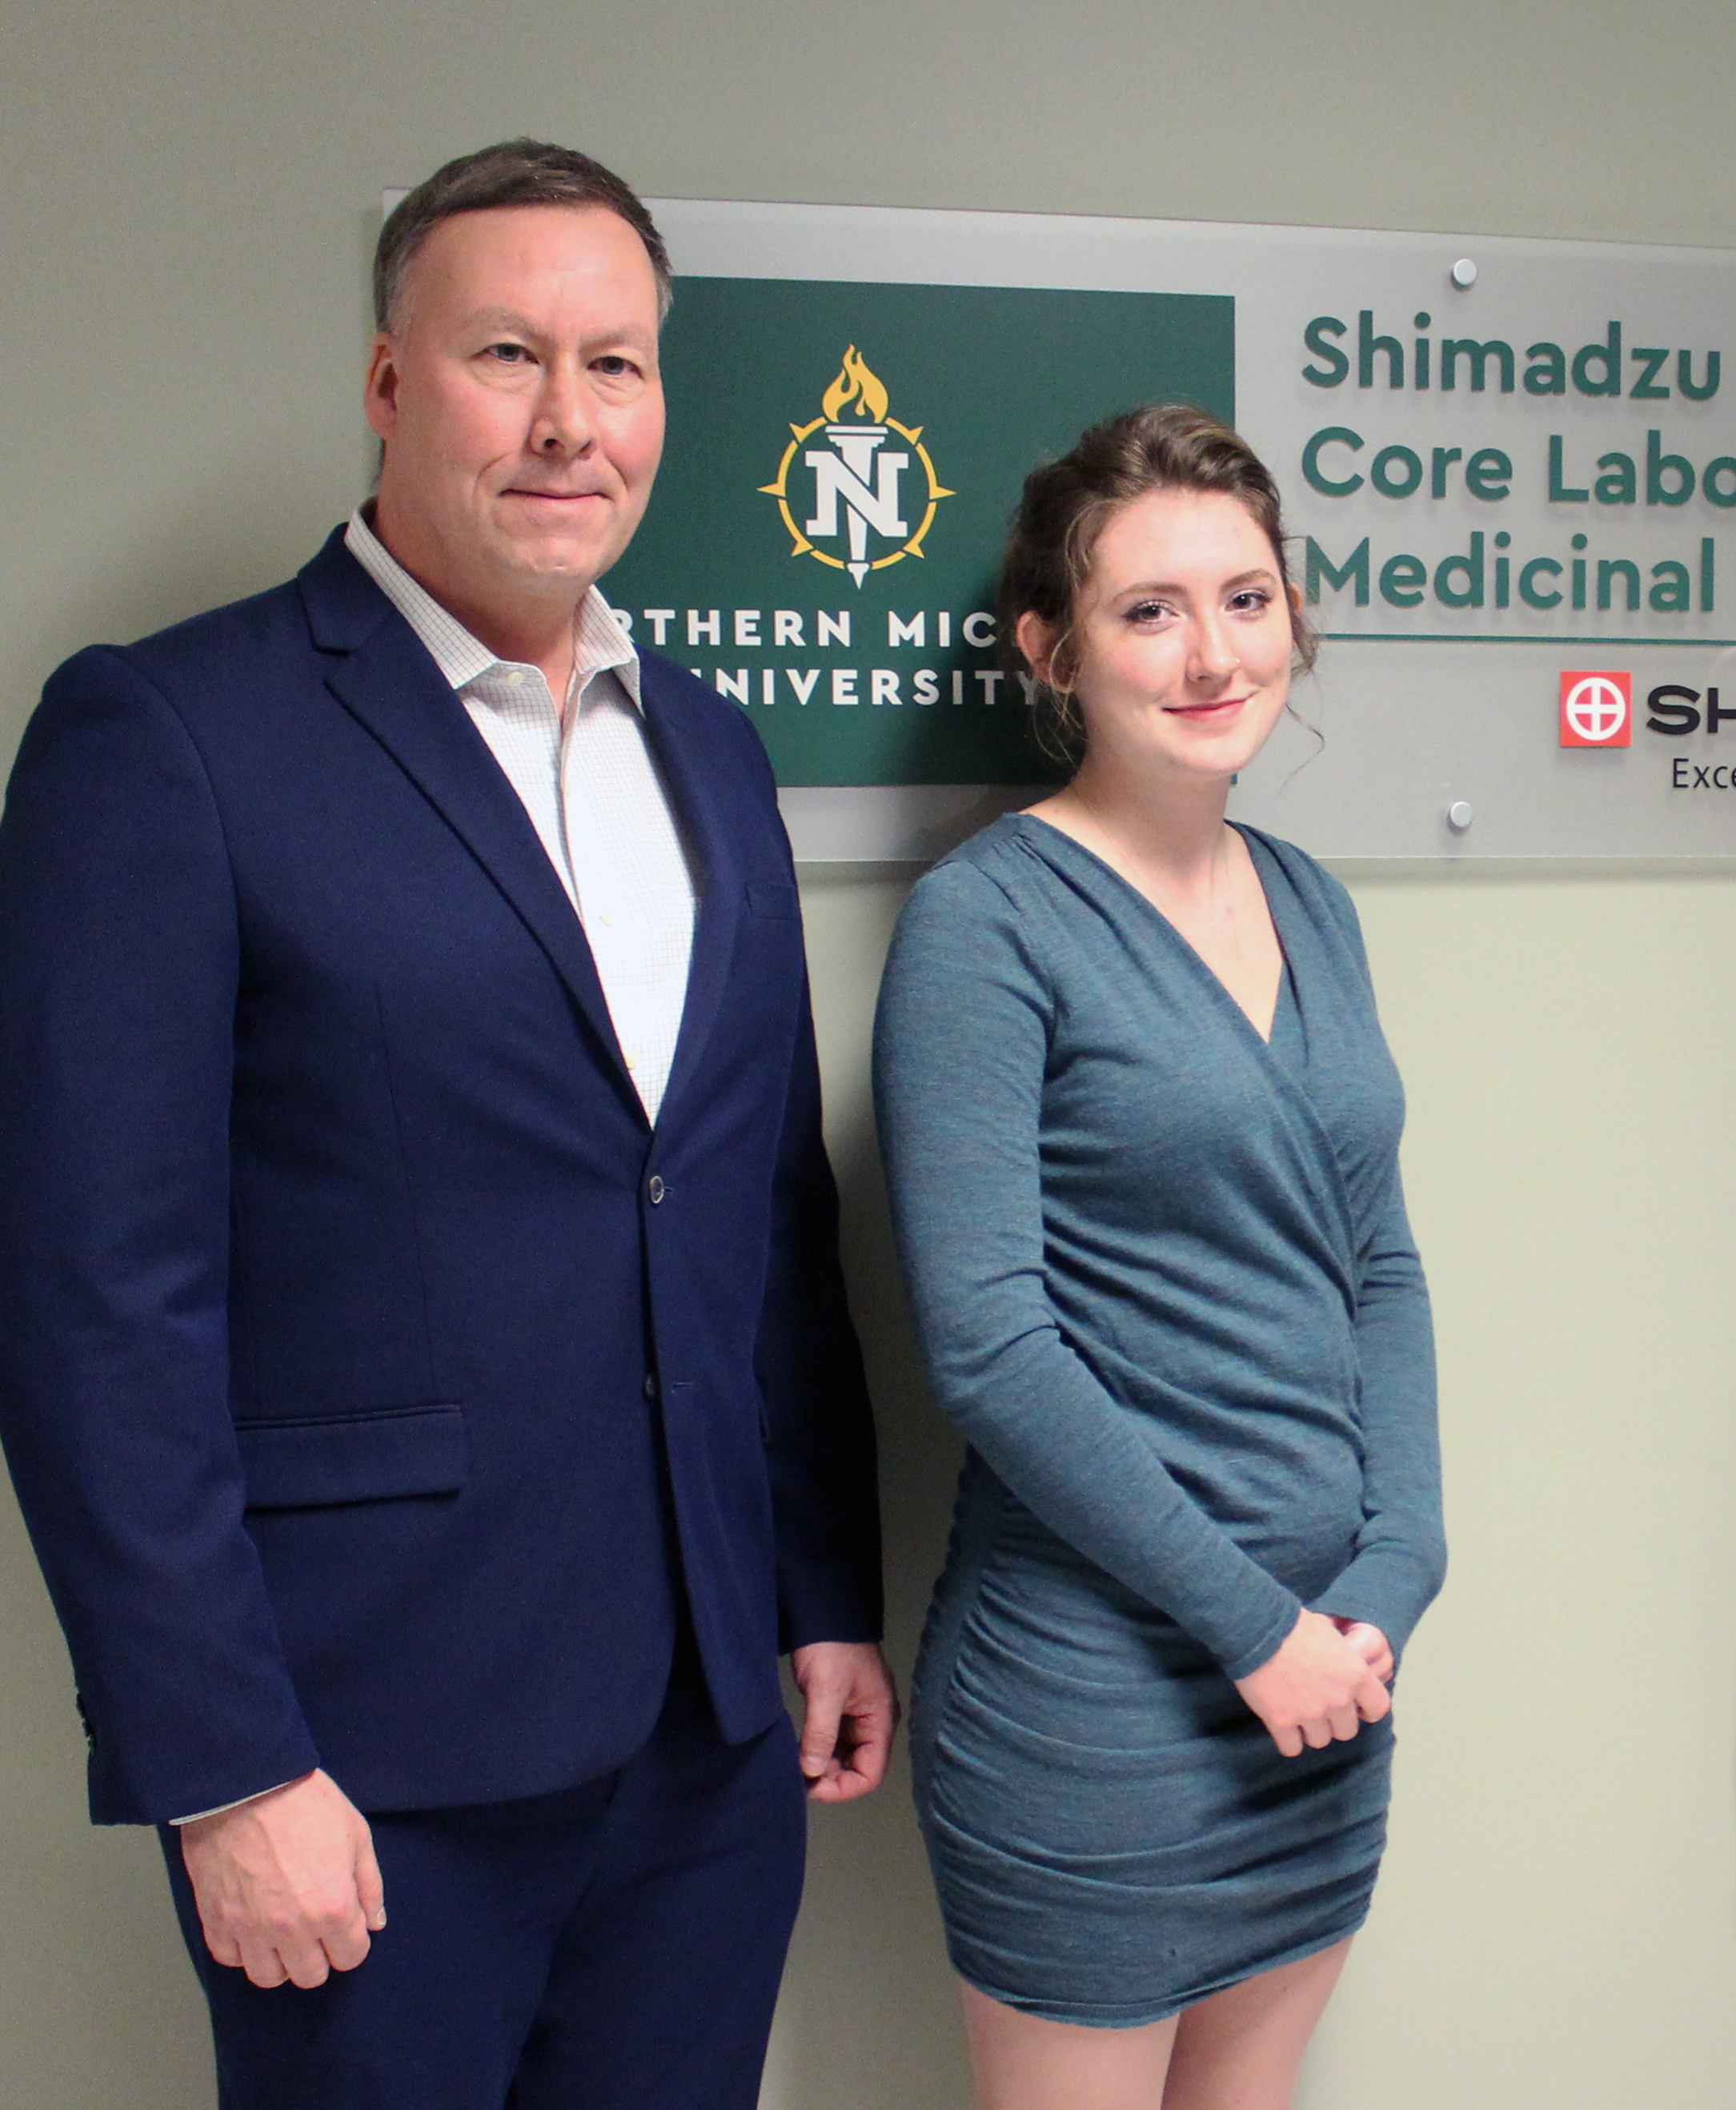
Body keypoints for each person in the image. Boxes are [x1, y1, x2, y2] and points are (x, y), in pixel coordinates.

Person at [0, 141, 891, 2108]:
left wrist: (822, 1594)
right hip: (362, 1759)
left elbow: (754, 1213)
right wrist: (221, 1760)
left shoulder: (711, 744)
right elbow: (91, 1300)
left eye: (620, 363)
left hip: (705, 1739)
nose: (572, 420)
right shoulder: (170, 735)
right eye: (508, 354)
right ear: (393, 384)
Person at [873, 403, 1443, 2110]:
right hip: (1100, 1703)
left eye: (1247, 598)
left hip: (1329, 1697)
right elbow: (984, 1342)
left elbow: (1381, 1262)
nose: (1213, 653)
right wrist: (1252, 1627)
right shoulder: (987, 923)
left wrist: (1398, 1566)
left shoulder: (1313, 900)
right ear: (1052, 648)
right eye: (1148, 610)